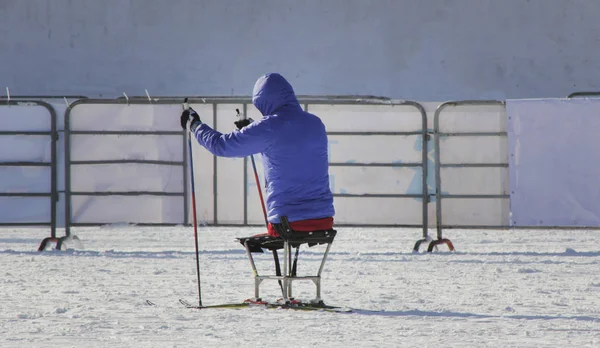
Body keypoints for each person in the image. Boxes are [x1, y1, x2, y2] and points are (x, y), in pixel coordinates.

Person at [180, 73, 335, 236]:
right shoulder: (315, 123)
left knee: (247, 241)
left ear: (264, 101)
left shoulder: (268, 127)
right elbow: (288, 140)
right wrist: (252, 128)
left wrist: (195, 125)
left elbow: (221, 145)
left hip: (287, 222)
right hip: (324, 220)